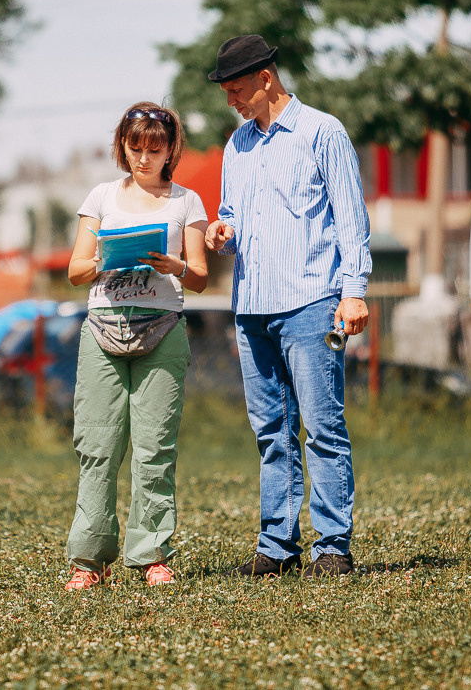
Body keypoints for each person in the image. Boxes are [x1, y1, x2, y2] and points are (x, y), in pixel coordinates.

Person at [205, 35, 372, 579]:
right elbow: (233, 214)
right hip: (252, 305)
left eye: (237, 90)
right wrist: (221, 231)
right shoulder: (237, 146)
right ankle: (277, 545)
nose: (232, 101)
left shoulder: (322, 133)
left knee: (322, 425)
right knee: (271, 430)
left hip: (311, 300)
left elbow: (350, 216)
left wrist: (355, 290)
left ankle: (332, 545)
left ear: (266, 79)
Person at [63, 101, 209, 590]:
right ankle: (90, 560)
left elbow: (202, 275)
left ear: (172, 150)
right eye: (136, 147)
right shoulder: (101, 197)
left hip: (163, 327)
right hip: (103, 327)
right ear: (122, 148)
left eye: (156, 148)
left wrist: (176, 267)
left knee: (154, 446)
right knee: (98, 446)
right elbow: (74, 270)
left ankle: (152, 556)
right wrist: (106, 257)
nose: (145, 157)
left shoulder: (186, 202)